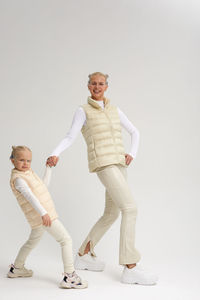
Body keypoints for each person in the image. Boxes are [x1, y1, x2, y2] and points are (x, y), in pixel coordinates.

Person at [47, 72, 158, 285]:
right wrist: (55, 152)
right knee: (130, 208)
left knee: (111, 213)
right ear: (88, 86)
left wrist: (132, 153)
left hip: (119, 163)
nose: (97, 87)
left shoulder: (115, 110)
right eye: (93, 83)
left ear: (106, 86)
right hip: (104, 164)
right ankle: (130, 266)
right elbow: (70, 135)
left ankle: (83, 255)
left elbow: (135, 132)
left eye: (101, 84)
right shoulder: (83, 111)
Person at [8, 145, 88, 289]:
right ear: (12, 160)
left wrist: (48, 168)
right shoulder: (19, 179)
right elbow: (30, 197)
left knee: (31, 242)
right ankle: (69, 276)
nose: (25, 163)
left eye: (28, 160)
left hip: (40, 216)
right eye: (21, 160)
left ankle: (17, 268)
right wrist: (44, 213)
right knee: (65, 240)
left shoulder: (29, 173)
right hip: (43, 216)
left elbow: (43, 186)